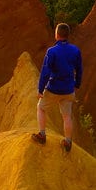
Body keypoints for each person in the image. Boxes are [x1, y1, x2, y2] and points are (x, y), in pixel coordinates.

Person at [32, 22, 83, 152]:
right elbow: (80, 69)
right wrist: (76, 84)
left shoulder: (52, 51)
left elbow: (45, 72)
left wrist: (40, 89)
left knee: (41, 108)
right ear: (67, 35)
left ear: (57, 34)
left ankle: (42, 135)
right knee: (67, 116)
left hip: (54, 88)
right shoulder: (76, 51)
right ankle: (68, 142)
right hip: (68, 89)